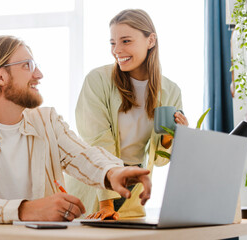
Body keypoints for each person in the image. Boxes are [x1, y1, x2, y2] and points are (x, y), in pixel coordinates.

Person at [0, 35, 152, 226]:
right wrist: (25, 210)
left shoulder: (47, 120)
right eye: (27, 65)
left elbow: (83, 156)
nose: (39, 74)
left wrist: (113, 172)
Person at [65, 9, 188, 220]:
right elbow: (98, 143)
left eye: (126, 41)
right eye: (113, 43)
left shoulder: (170, 91)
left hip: (134, 189)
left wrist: (175, 135)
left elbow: (158, 160)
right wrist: (106, 203)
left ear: (151, 41)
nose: (117, 50)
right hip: (97, 185)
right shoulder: (97, 81)